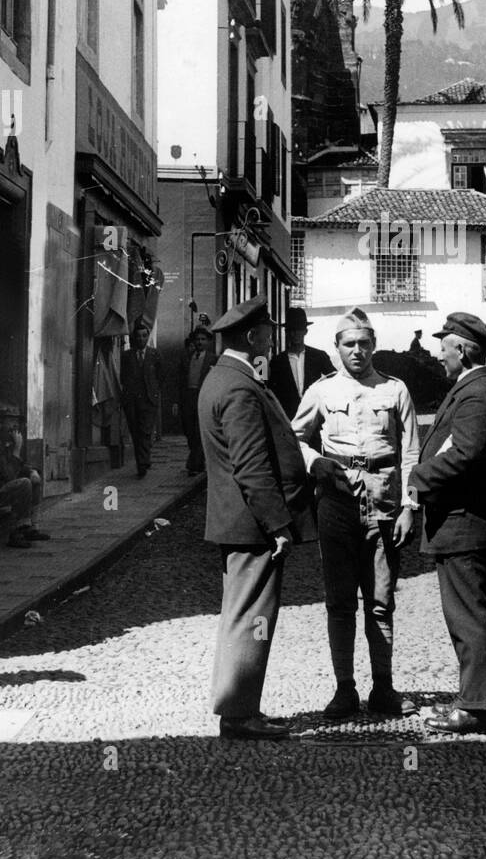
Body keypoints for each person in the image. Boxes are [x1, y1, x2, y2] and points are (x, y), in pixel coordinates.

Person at [292, 308, 420, 720]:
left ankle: (383, 688)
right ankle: (344, 690)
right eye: (349, 344)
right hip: (337, 504)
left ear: (374, 346)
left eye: (364, 344)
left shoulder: (395, 390)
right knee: (340, 602)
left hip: (383, 505)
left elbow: (412, 454)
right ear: (337, 349)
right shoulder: (322, 391)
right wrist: (315, 462)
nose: (358, 351)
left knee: (381, 602)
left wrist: (408, 506)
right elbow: (293, 437)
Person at [198, 295, 316, 741]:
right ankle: (240, 713)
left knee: (240, 614)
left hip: (239, 522)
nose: (273, 336)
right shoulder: (240, 387)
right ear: (252, 337)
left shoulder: (224, 378)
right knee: (250, 617)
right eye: (268, 329)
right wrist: (278, 524)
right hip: (252, 526)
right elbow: (251, 466)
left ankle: (236, 705)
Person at [409, 311, 486, 735]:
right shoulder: (472, 388)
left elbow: (465, 454)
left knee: (470, 616)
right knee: (468, 613)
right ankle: (476, 699)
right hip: (458, 520)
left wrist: (416, 477)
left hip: (464, 520)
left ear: (464, 350)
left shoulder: (477, 394)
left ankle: (478, 707)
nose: (438, 354)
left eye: (444, 346)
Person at [0, 419, 49, 548]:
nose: (15, 429)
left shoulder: (8, 443)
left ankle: (32, 528)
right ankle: (16, 533)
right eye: (10, 427)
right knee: (24, 484)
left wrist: (32, 471)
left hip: (7, 489)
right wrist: (17, 449)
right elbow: (9, 475)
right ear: (0, 424)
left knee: (34, 479)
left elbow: (21, 465)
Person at [268, 308, 335, 420]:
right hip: (288, 419)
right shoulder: (277, 362)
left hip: (315, 418)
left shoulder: (319, 356)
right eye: (291, 330)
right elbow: (270, 391)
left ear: (305, 331)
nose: (295, 334)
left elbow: (334, 380)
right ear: (286, 332)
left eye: (299, 329)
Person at [120, 319, 164, 477]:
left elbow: (161, 376)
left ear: (148, 337)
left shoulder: (154, 355)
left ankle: (142, 463)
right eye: (138, 336)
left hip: (148, 400)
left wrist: (155, 392)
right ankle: (143, 461)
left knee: (146, 431)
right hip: (131, 401)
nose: (141, 339)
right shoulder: (126, 356)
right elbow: (122, 377)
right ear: (134, 338)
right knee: (136, 432)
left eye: (144, 336)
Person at [178, 326, 217, 474]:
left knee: (199, 431)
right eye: (198, 339)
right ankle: (197, 460)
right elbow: (181, 380)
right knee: (189, 431)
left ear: (208, 342)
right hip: (188, 397)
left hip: (203, 397)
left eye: (203, 339)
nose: (200, 342)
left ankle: (194, 464)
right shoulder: (187, 357)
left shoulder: (213, 359)